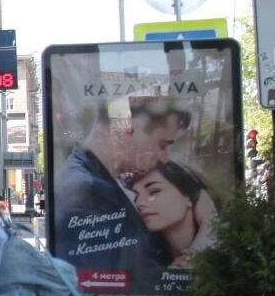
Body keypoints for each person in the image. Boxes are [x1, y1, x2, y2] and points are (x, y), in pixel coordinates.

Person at [52, 97, 190, 283]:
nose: (164, 158)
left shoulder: (97, 181)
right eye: (162, 145)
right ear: (128, 125)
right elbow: (106, 283)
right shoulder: (86, 190)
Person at [130, 160, 218, 269]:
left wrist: (209, 221)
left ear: (189, 197)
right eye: (136, 196)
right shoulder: (141, 258)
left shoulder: (227, 248)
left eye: (154, 191)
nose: (139, 203)